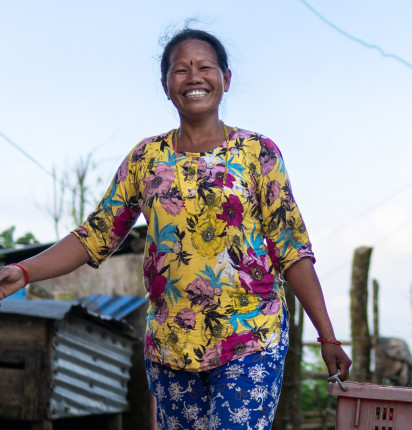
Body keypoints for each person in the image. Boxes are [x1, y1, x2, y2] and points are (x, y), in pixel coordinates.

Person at [0, 28, 350, 429]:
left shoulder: (258, 153)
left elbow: (291, 249)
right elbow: (95, 235)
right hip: (171, 346)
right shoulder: (147, 158)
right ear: (166, 86)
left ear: (226, 79)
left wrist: (328, 338)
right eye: (180, 70)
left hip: (252, 338)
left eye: (205, 67)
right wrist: (23, 272)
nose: (194, 77)